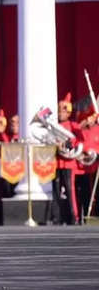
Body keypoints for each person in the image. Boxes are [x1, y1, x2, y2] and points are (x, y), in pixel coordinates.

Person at [52, 94, 82, 225]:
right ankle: (57, 217)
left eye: (63, 111)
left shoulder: (73, 125)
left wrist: (67, 145)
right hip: (56, 162)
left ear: (68, 113)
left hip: (68, 163)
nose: (60, 113)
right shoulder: (53, 126)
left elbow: (78, 141)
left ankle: (73, 217)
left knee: (70, 191)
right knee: (56, 191)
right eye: (59, 111)